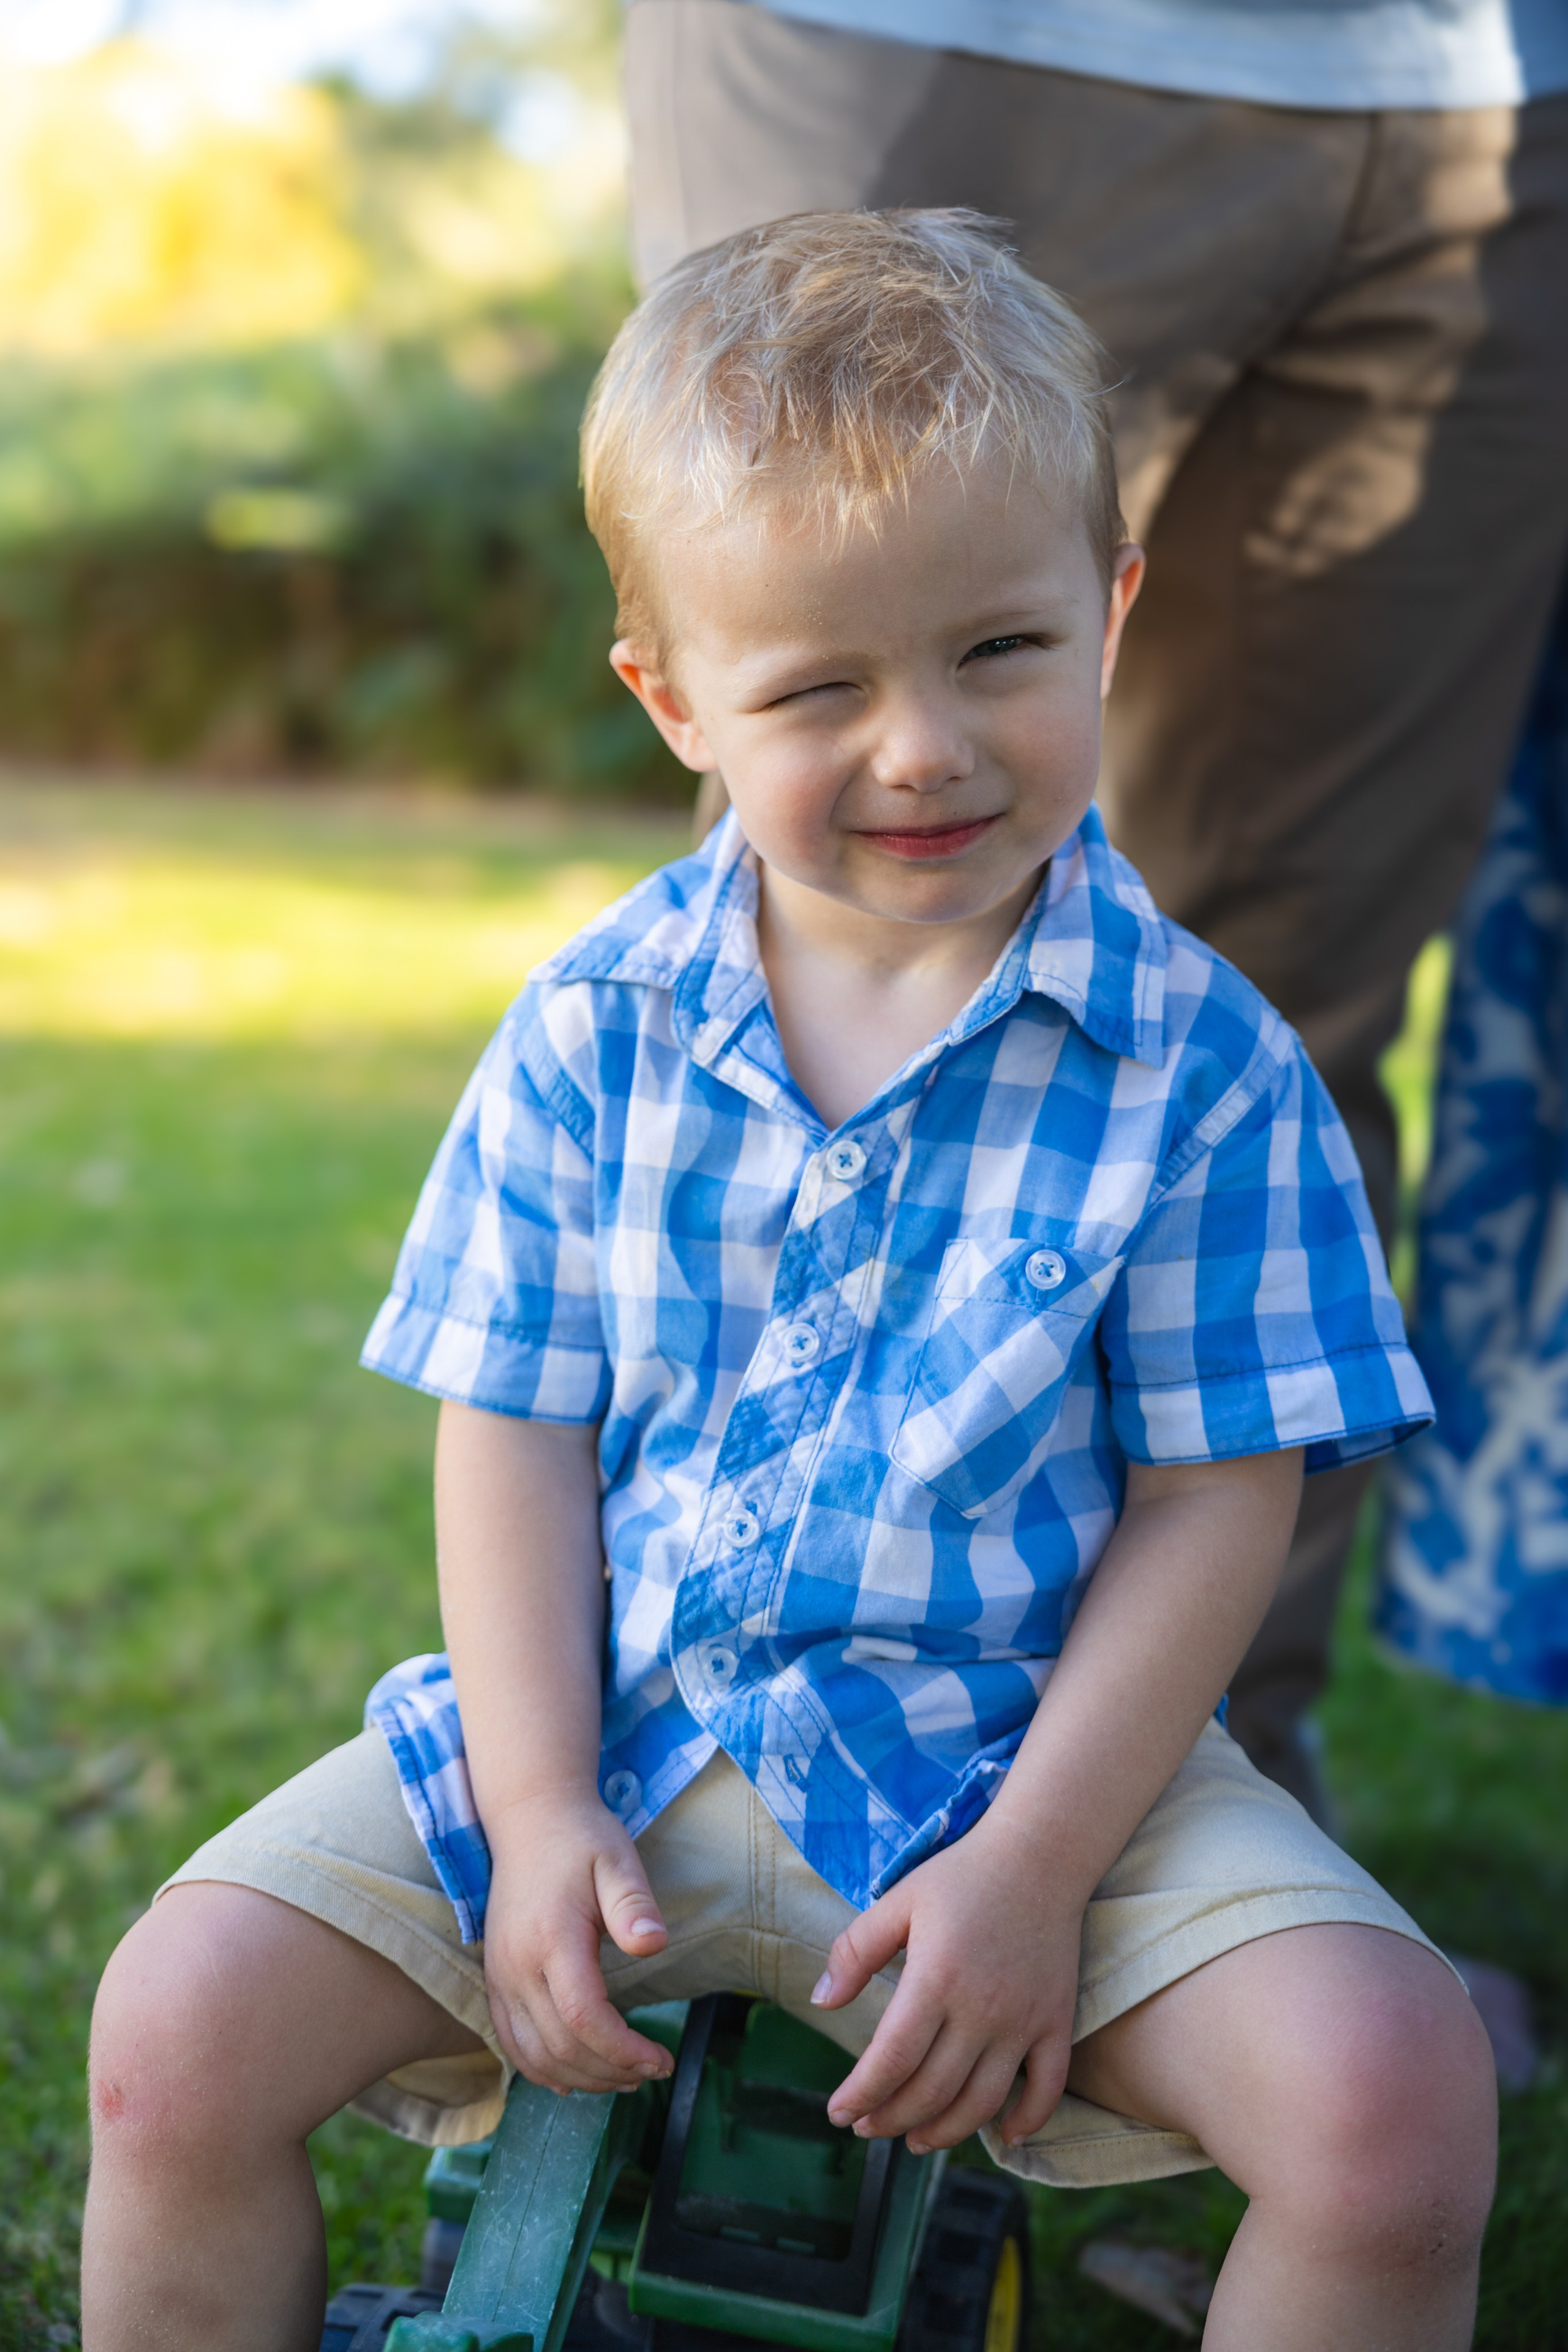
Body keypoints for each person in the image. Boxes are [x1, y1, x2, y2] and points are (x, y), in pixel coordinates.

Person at [83, 213, 1494, 2352]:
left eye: (998, 651)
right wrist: (540, 1814)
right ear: (673, 700)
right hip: (618, 1722)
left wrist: (1030, 1874)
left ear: (1111, 616)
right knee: (175, 2023)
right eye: (820, 686)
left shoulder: (1208, 1070)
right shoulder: (595, 1028)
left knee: (1393, 2102)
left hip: (1032, 1770)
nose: (923, 747)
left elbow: (1221, 1501)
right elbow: (518, 1437)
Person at [622, 0, 1568, 1820]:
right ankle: (700, 1797)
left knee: (1272, 1046)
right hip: (930, 40)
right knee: (806, 1001)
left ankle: (1177, 1819)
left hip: (1476, 93)